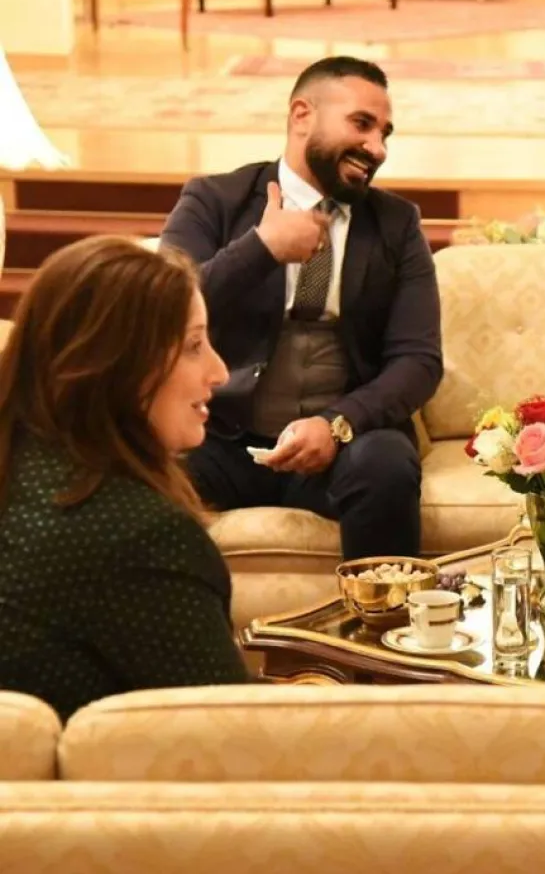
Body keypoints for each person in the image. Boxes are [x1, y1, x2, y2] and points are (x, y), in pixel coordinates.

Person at [160, 55, 443, 560]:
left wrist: (337, 424)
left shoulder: (396, 224)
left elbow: (418, 360)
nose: (377, 148)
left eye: (384, 134)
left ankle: (378, 613)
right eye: (361, 124)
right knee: (143, 470)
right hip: (220, 437)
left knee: (386, 465)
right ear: (301, 115)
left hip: (342, 446)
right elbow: (161, 310)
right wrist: (261, 249)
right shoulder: (213, 200)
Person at [0, 237, 251, 721]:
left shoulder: (21, 469)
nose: (219, 372)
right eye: (193, 346)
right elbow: (232, 732)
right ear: (118, 363)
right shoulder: (140, 537)